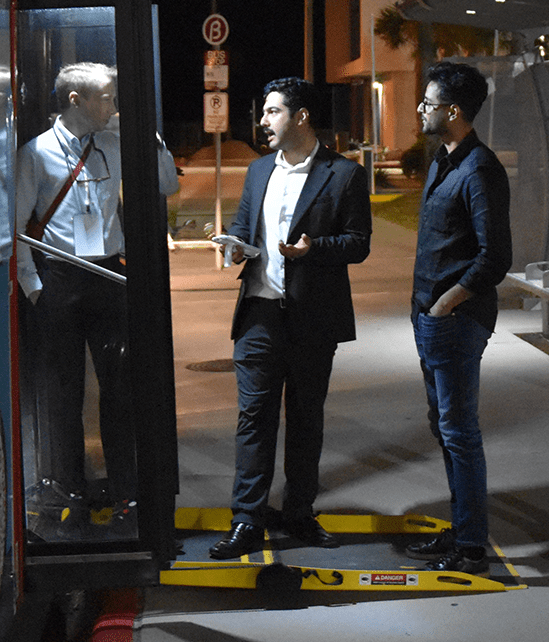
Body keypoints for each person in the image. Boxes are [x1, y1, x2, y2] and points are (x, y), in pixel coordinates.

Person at [209, 77, 371, 559]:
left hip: (312, 317)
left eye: (272, 111)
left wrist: (312, 249)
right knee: (254, 419)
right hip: (259, 313)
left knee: (305, 420)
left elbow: (358, 244)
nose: (263, 120)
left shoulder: (343, 174)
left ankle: (299, 513)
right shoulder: (259, 170)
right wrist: (234, 245)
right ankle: (247, 521)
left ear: (300, 116)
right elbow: (244, 224)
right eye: (263, 112)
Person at [16, 61, 179, 535]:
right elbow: (17, 229)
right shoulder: (38, 155)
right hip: (60, 279)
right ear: (76, 101)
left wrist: (148, 136)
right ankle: (70, 489)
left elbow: (166, 183)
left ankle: (128, 488)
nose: (113, 105)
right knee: (66, 393)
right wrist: (36, 289)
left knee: (121, 387)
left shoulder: (113, 142)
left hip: (108, 275)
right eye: (105, 97)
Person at [405, 62, 512, 575]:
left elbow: (495, 258)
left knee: (459, 430)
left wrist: (447, 302)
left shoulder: (479, 170)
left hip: (455, 320)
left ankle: (471, 547)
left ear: (453, 110)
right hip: (430, 316)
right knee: (444, 427)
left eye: (427, 103)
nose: (420, 110)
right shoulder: (444, 162)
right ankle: (462, 525)